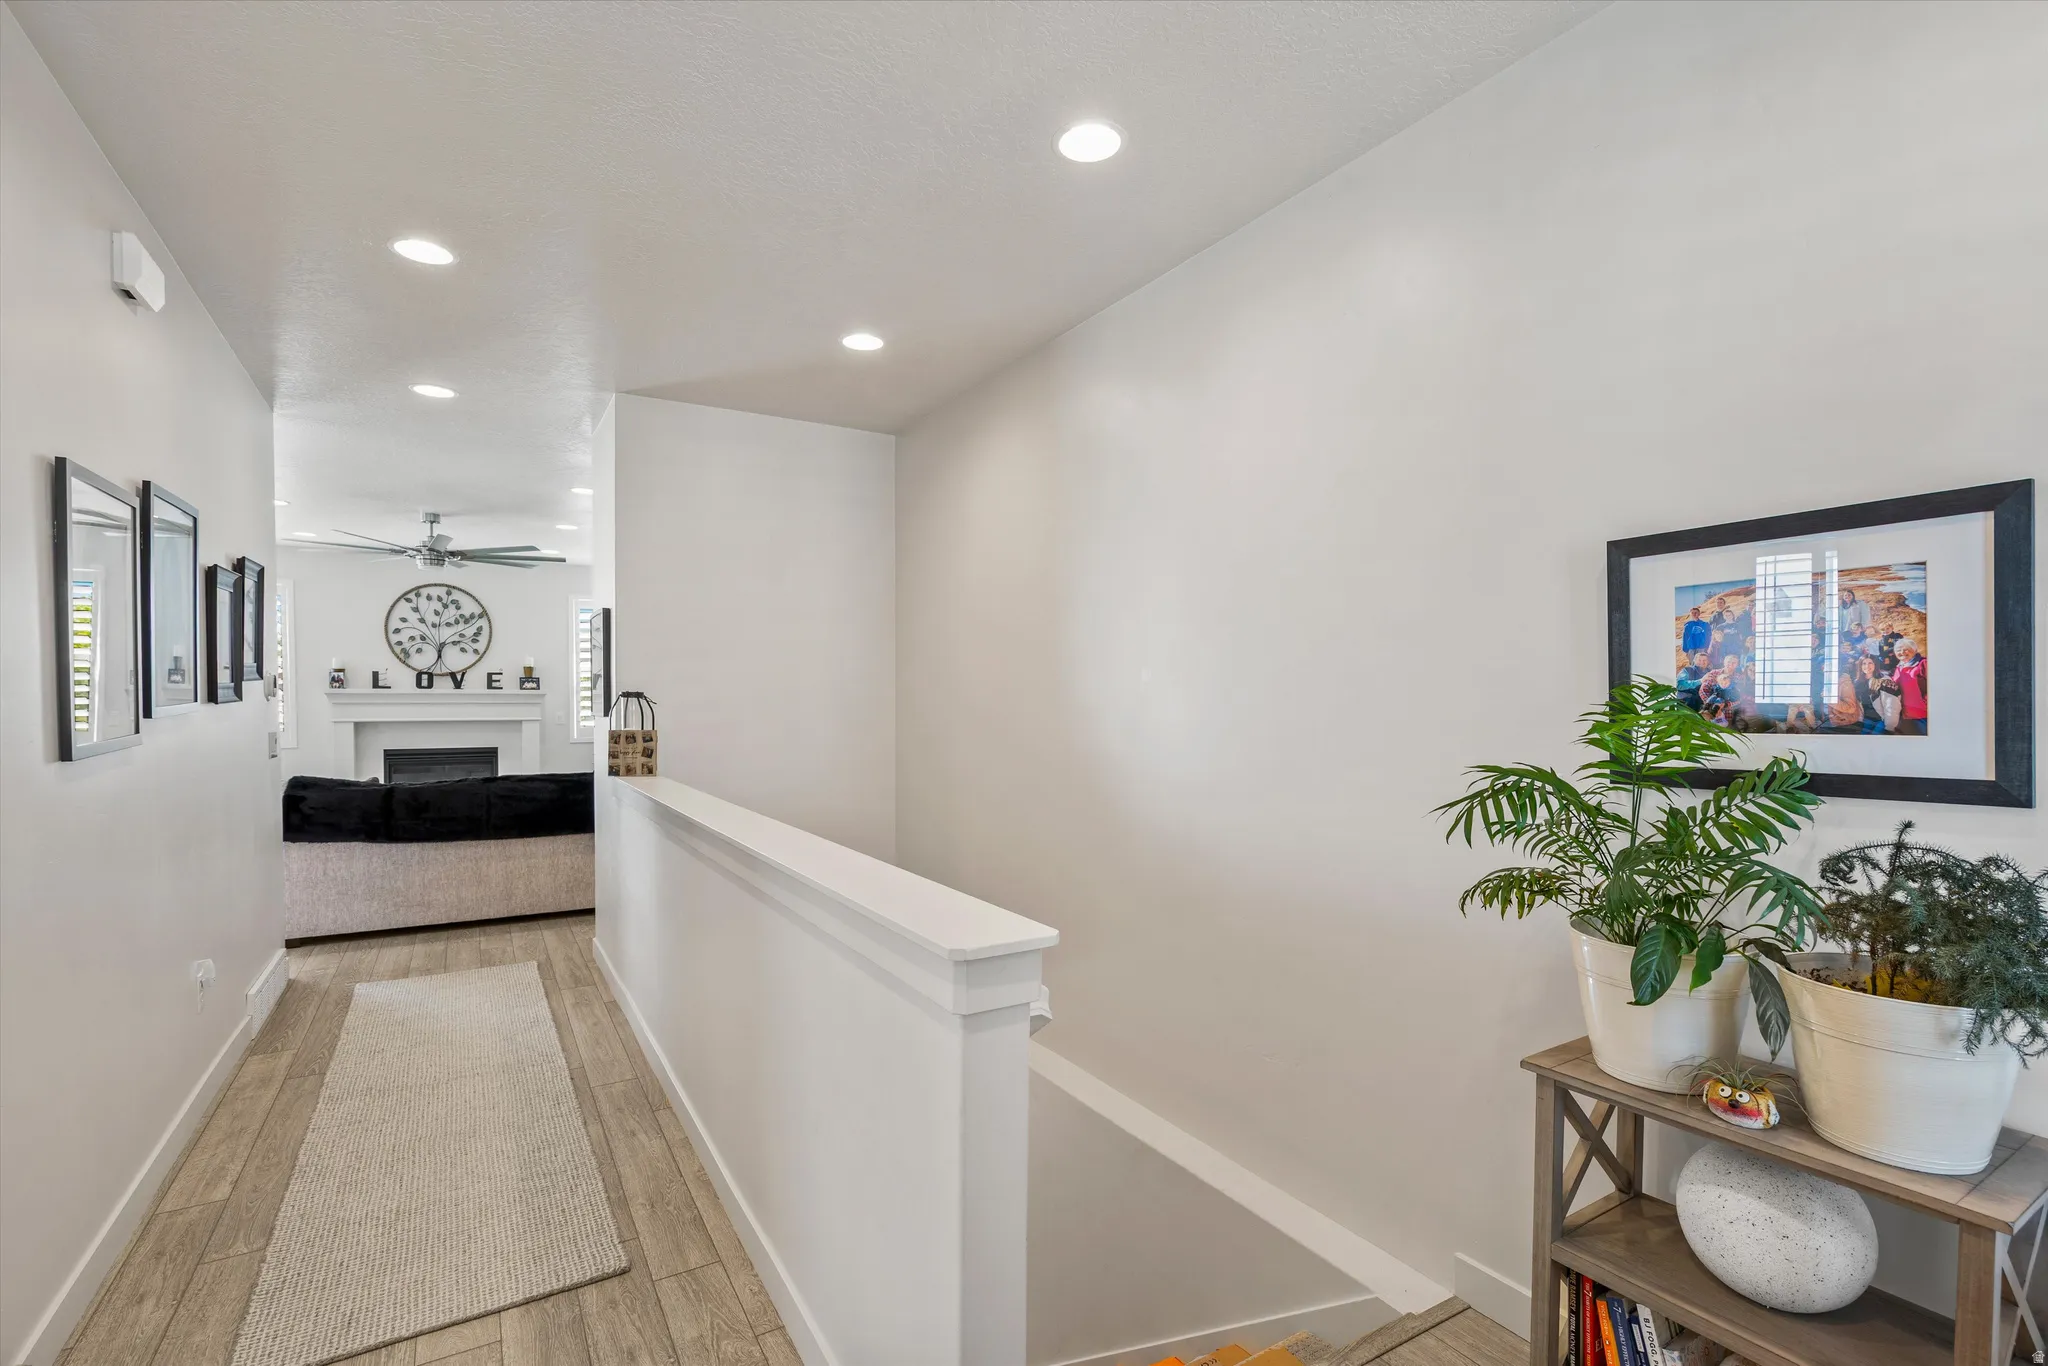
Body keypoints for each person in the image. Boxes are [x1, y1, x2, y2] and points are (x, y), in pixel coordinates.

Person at [1893, 638, 1928, 735]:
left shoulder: (1923, 663)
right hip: (1904, 714)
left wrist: (1926, 703)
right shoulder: (1899, 667)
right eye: (1898, 650)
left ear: (1915, 650)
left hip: (1923, 714)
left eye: (1905, 649)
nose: (1902, 652)